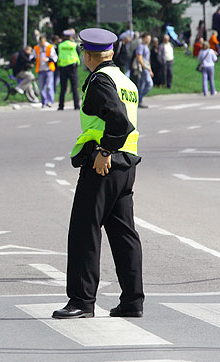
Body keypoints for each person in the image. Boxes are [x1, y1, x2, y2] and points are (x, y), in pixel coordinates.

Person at [53, 28, 143, 320]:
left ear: (87, 56)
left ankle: (81, 301)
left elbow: (118, 120)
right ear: (111, 53)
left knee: (84, 232)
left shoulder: (99, 80)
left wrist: (104, 150)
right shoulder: (125, 80)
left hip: (104, 165)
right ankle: (132, 300)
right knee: (123, 234)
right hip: (126, 165)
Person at [57, 30, 81, 110]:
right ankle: (76, 105)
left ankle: (61, 106)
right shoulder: (74, 45)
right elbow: (78, 53)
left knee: (63, 88)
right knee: (74, 87)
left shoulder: (60, 45)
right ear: (71, 36)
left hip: (62, 67)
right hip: (72, 68)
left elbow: (57, 54)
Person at [34, 35, 57, 108]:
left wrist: (48, 59)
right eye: (40, 42)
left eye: (42, 42)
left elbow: (55, 58)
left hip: (48, 69)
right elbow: (33, 56)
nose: (41, 44)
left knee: (49, 86)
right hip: (40, 70)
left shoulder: (49, 47)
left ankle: (50, 101)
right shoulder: (37, 48)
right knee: (41, 87)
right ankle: (44, 102)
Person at [135, 33, 153, 108]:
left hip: (146, 68)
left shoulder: (146, 47)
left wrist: (150, 70)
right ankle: (139, 99)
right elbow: (139, 58)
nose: (149, 40)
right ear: (143, 38)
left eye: (150, 38)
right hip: (143, 68)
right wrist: (144, 67)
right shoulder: (141, 47)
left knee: (141, 85)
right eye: (148, 38)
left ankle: (139, 101)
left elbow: (147, 60)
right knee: (149, 84)